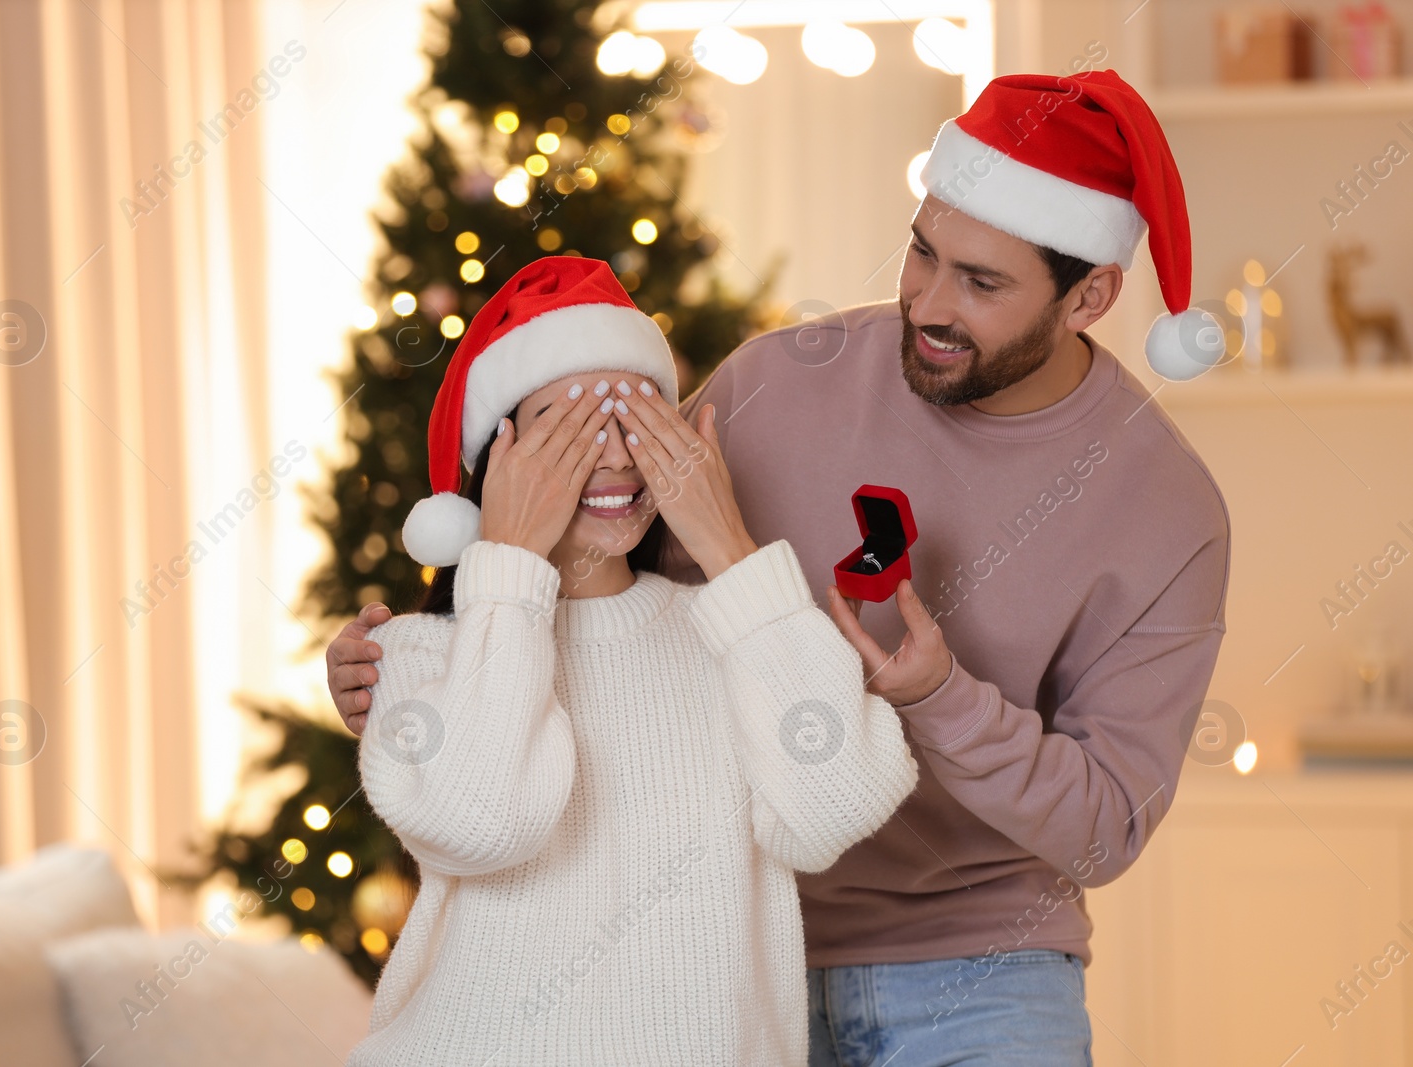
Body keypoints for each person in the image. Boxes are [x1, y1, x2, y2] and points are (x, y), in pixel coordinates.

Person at [331, 70, 1233, 1064]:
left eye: (979, 283)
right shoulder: (773, 384)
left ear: (1090, 295)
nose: (926, 301)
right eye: (922, 253)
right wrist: (424, 669)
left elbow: (1103, 829)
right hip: (737, 963)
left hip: (981, 968)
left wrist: (938, 697)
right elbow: (606, 612)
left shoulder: (1164, 509)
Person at [340, 255, 919, 1066]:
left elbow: (834, 806)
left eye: (639, 419)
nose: (613, 457)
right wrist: (507, 563)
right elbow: (478, 822)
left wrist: (728, 547)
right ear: (494, 456)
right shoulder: (414, 654)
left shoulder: (730, 632)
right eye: (568, 427)